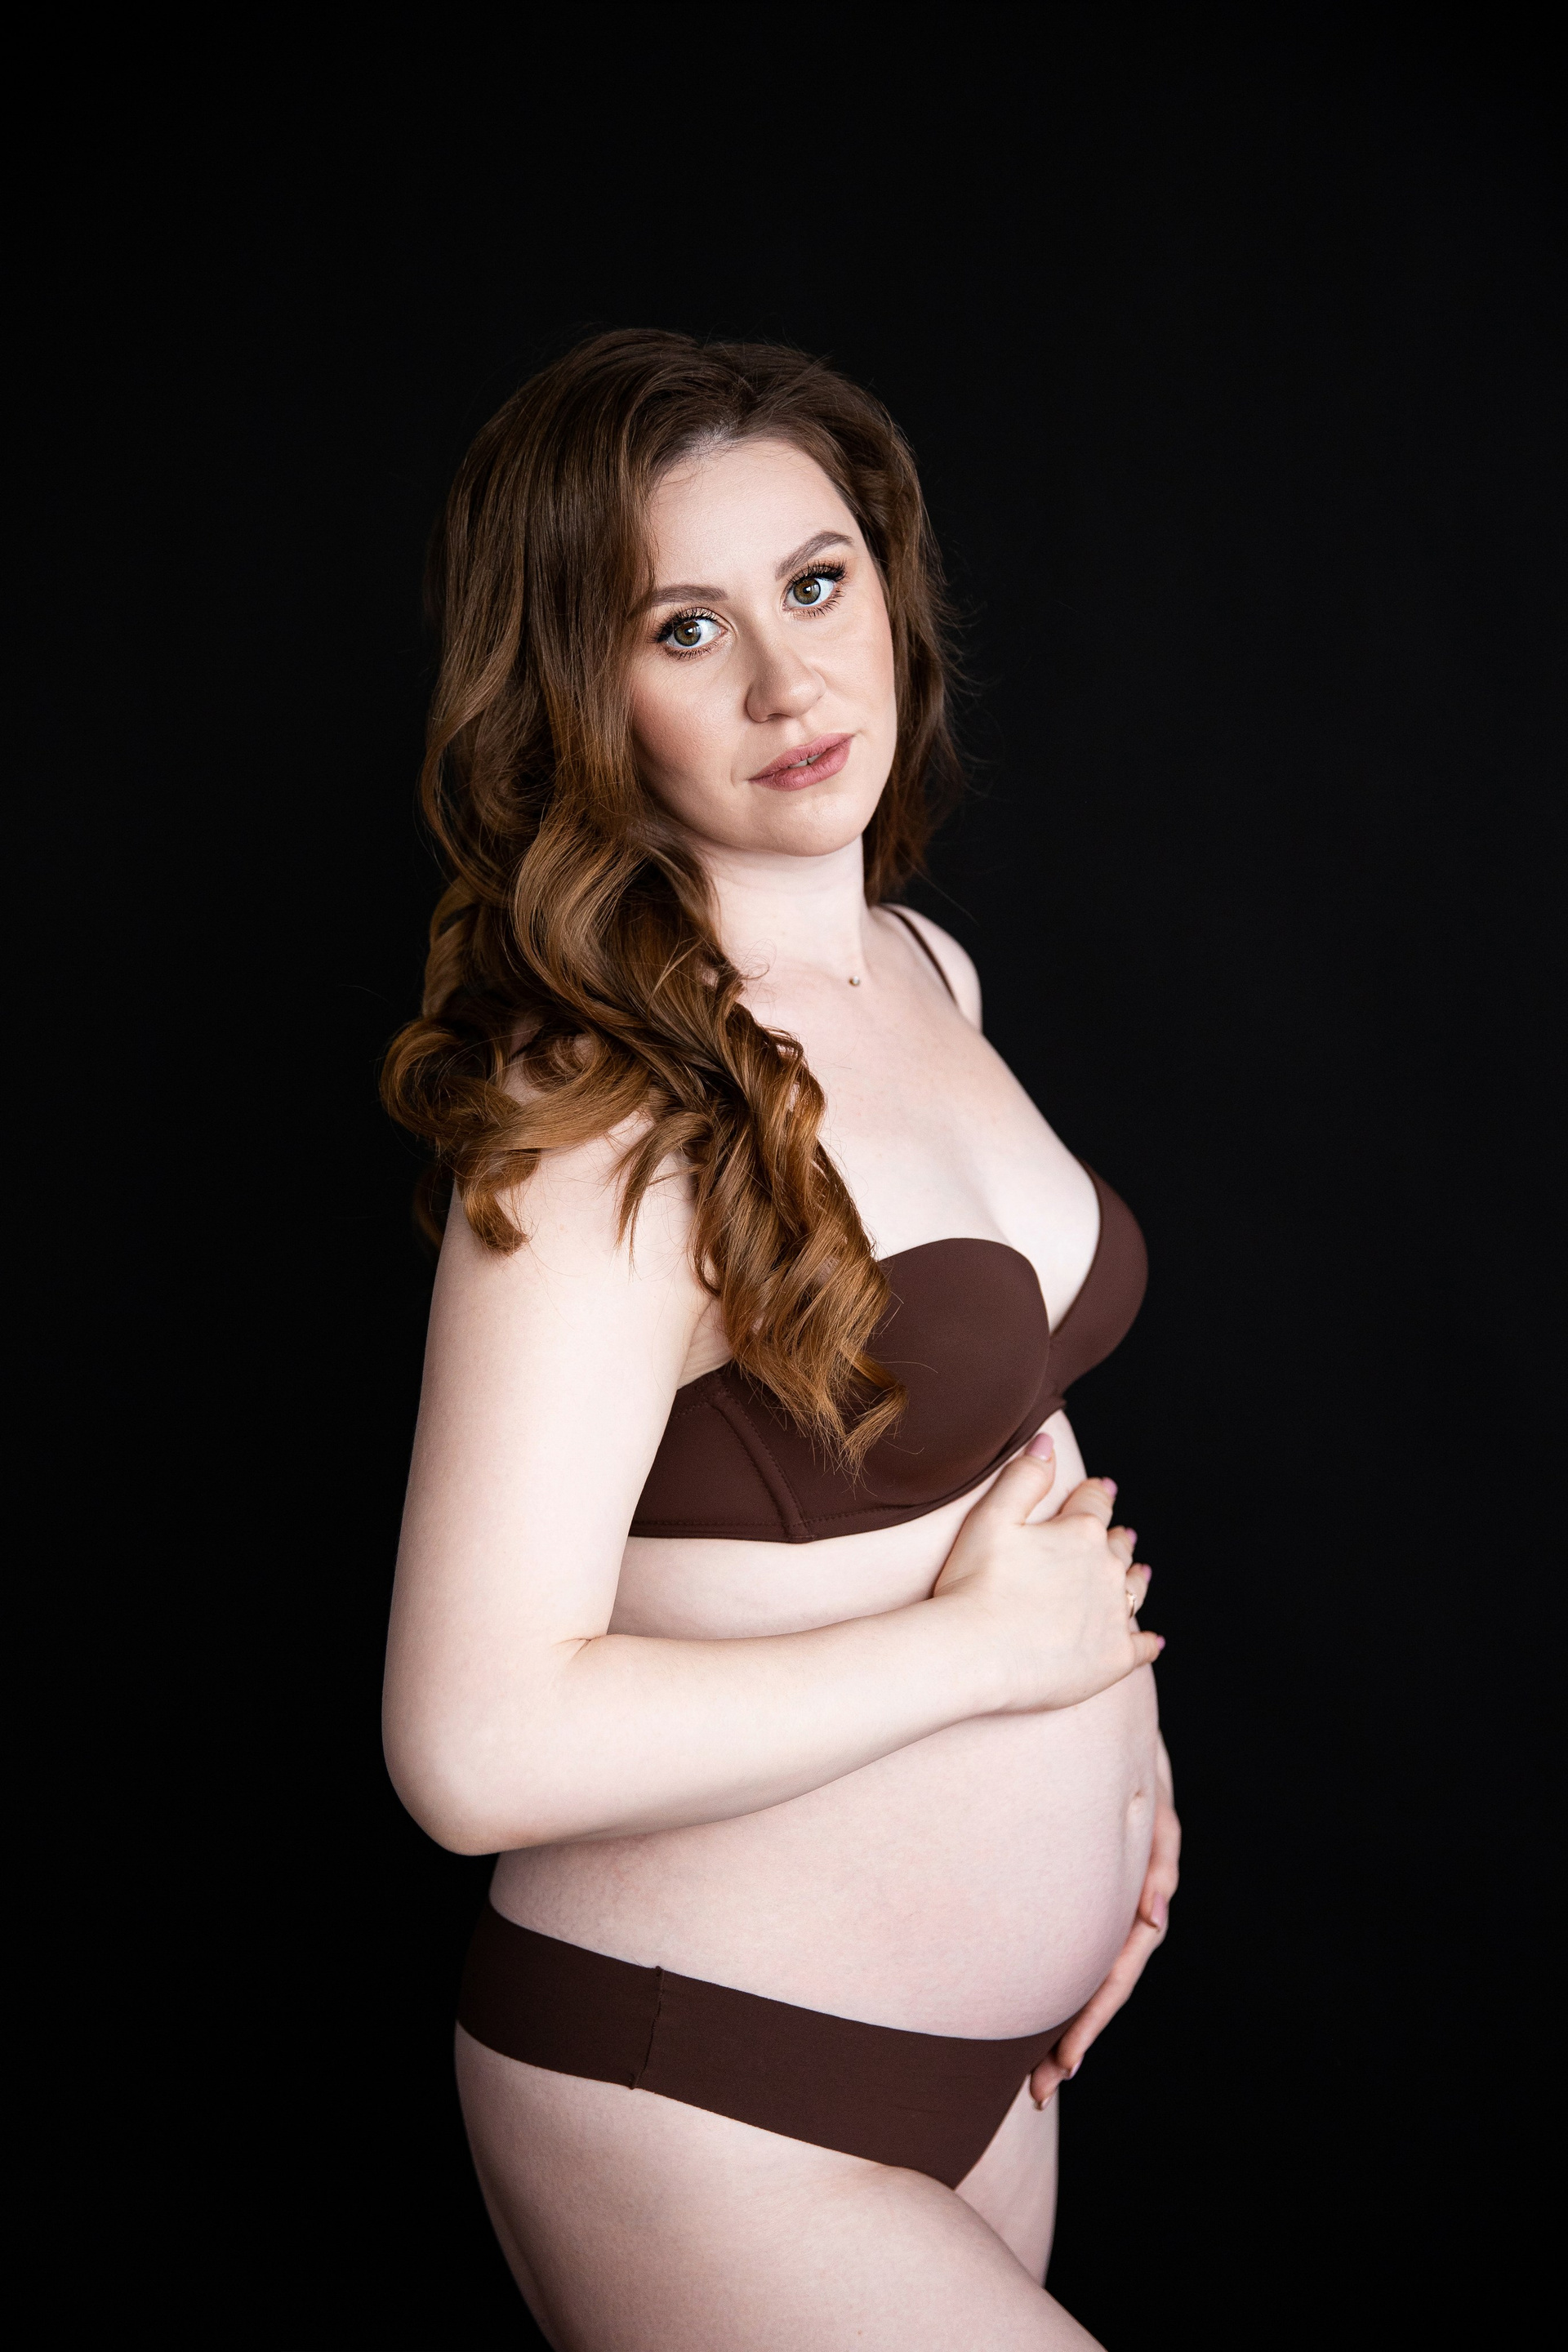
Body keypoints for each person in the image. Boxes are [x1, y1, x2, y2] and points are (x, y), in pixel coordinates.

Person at [381, 329, 1178, 2350]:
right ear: (584, 695)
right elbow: (472, 1746)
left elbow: (1004, 1440)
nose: (789, 680)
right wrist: (985, 1663)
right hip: (711, 2092)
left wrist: (1126, 1763)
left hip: (996, 2079)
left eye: (817, 583)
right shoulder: (603, 1119)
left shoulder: (923, 969)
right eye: (686, 626)